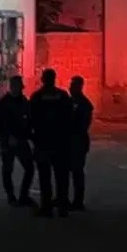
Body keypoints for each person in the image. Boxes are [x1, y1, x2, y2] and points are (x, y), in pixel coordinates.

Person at [28, 68, 73, 218]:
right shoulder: (63, 96)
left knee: (44, 177)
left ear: (43, 79)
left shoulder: (36, 97)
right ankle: (62, 207)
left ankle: (46, 208)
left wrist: (33, 137)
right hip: (61, 143)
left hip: (43, 143)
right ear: (54, 79)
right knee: (62, 177)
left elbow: (31, 119)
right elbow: (70, 118)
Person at [0, 75, 35, 207]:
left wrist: (29, 135)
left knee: (29, 168)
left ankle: (23, 196)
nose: (20, 88)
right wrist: (9, 136)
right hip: (8, 141)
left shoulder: (23, 101)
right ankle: (11, 196)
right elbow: (0, 123)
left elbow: (28, 120)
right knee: (8, 169)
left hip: (21, 139)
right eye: (17, 86)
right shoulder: (3, 103)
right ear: (12, 86)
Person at [65, 75, 94, 212]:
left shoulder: (84, 104)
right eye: (70, 85)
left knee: (77, 172)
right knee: (67, 171)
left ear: (79, 87)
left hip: (78, 142)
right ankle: (65, 198)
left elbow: (82, 126)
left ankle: (78, 201)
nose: (70, 88)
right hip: (70, 142)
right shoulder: (70, 101)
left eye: (73, 85)